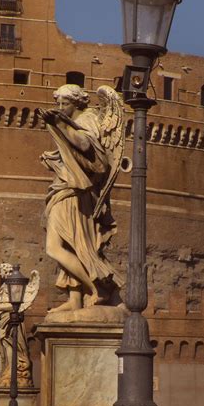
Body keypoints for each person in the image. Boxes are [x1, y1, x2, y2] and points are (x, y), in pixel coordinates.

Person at [39, 84, 124, 312]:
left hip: (76, 192)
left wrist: (60, 124)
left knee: (55, 247)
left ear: (77, 103)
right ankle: (75, 298)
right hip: (66, 187)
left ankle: (98, 288)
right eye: (59, 103)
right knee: (72, 245)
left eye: (64, 103)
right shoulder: (70, 121)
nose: (60, 108)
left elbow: (87, 146)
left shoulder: (88, 118)